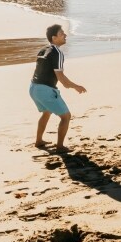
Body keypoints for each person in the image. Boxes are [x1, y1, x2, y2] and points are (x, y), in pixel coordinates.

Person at [29, 24, 86, 152]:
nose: (65, 35)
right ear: (54, 38)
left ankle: (38, 141)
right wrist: (76, 86)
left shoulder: (43, 50)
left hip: (33, 88)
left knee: (47, 112)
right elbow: (62, 79)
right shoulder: (58, 53)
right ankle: (60, 147)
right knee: (66, 116)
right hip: (44, 90)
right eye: (62, 34)